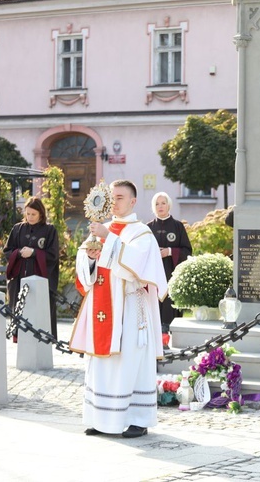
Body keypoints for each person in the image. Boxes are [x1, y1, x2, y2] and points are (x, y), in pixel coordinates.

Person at [69, 180, 167, 438]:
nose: (114, 202)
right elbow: (84, 274)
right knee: (101, 364)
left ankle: (137, 418)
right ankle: (101, 418)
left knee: (128, 361)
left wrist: (107, 238)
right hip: (101, 304)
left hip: (129, 306)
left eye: (120, 197)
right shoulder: (101, 229)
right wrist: (89, 259)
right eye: (112, 197)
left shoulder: (141, 233)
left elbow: (134, 266)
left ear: (133, 201)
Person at [3, 196, 60, 338]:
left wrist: (34, 252)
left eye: (33, 214)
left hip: (40, 280)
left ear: (41, 214)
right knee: (20, 309)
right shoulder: (17, 229)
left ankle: (43, 338)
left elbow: (53, 255)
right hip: (19, 279)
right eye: (27, 214)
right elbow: (7, 251)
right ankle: (20, 337)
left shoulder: (49, 230)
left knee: (39, 314)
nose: (30, 217)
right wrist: (19, 253)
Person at [146, 192, 192, 348]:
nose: (160, 206)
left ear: (169, 205)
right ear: (154, 207)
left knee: (168, 306)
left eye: (163, 203)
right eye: (157, 203)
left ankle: (166, 339)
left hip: (171, 275)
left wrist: (170, 252)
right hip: (153, 277)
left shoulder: (178, 226)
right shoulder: (148, 228)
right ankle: (152, 342)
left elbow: (187, 251)